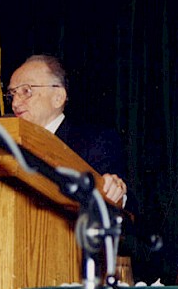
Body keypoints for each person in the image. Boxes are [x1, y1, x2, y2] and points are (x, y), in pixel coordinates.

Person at [7, 54, 132, 208]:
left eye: (26, 91)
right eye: (12, 93)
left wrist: (115, 191)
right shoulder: (8, 147)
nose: (15, 103)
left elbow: (121, 200)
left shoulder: (95, 143)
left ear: (58, 97)